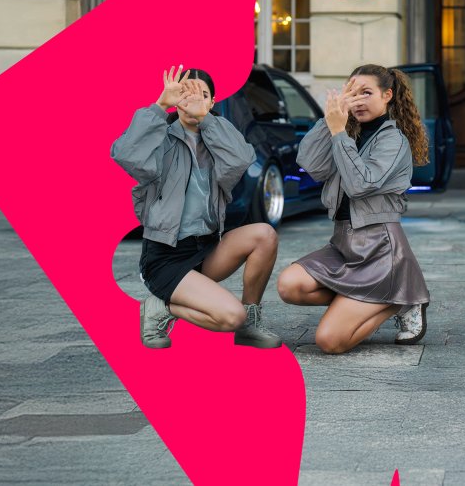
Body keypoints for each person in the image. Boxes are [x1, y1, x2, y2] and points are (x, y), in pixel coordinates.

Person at [112, 65, 282, 349]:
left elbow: (241, 160)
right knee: (230, 317)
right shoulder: (160, 138)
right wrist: (159, 106)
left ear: (213, 102)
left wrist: (206, 120)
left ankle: (251, 324)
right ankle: (162, 307)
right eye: (184, 92)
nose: (192, 100)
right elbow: (126, 154)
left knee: (264, 234)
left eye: (202, 95)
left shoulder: (217, 136)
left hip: (206, 248)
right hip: (166, 256)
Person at [277, 64, 431, 354]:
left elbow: (361, 184)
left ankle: (401, 299)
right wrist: (329, 121)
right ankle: (368, 301)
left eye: (366, 93)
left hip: (380, 249)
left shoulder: (393, 141)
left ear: (387, 95)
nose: (357, 100)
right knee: (289, 285)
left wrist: (338, 134)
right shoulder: (346, 133)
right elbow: (310, 163)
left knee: (330, 341)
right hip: (343, 244)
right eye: (352, 92)